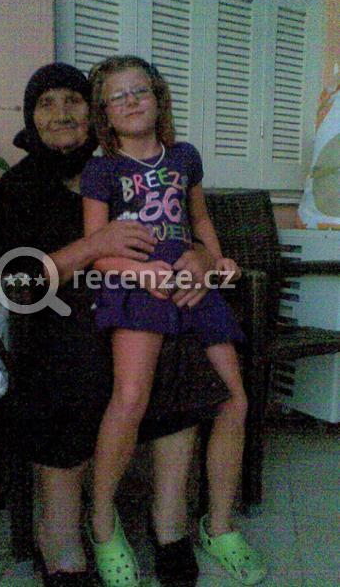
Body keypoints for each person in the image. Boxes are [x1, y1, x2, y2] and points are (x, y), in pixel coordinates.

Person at [0, 63, 227, 587]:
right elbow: (15, 282)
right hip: (57, 320)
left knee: (179, 348)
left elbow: (181, 225)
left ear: (93, 112)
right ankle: (61, 531)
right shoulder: (20, 186)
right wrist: (93, 246)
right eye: (46, 103)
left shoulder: (120, 169)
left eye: (72, 100)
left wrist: (201, 259)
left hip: (136, 302)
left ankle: (168, 520)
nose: (61, 113)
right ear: (31, 117)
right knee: (73, 361)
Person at [81, 55, 267, 587]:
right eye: (118, 96)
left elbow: (198, 218)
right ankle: (102, 522)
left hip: (193, 281)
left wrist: (216, 259)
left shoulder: (185, 156)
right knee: (131, 397)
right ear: (104, 112)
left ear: (159, 98)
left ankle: (220, 526)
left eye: (140, 91)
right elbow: (96, 250)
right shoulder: (102, 169)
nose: (131, 101)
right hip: (136, 284)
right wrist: (142, 275)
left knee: (234, 398)